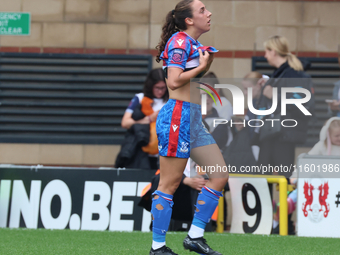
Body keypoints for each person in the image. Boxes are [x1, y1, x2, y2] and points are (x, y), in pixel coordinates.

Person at [150, 0, 229, 254]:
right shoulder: (180, 42)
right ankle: (157, 247)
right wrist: (203, 66)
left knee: (219, 175)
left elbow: (189, 79)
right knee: (169, 184)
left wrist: (205, 64)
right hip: (177, 117)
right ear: (189, 20)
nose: (209, 13)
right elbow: (173, 82)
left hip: (192, 117)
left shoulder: (192, 44)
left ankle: (194, 236)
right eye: (203, 10)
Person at [257, 35, 314, 179]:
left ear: (274, 51)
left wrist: (274, 94)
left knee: (283, 178)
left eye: (267, 51)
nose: (265, 56)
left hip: (284, 135)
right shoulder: (279, 75)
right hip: (272, 134)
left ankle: (287, 202)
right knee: (262, 178)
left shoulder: (294, 74)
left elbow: (301, 103)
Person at [116, 68, 168, 170]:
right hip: (142, 154)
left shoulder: (170, 101)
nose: (160, 91)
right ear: (151, 86)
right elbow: (125, 122)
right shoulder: (140, 98)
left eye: (163, 88)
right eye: (157, 88)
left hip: (162, 154)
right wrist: (149, 119)